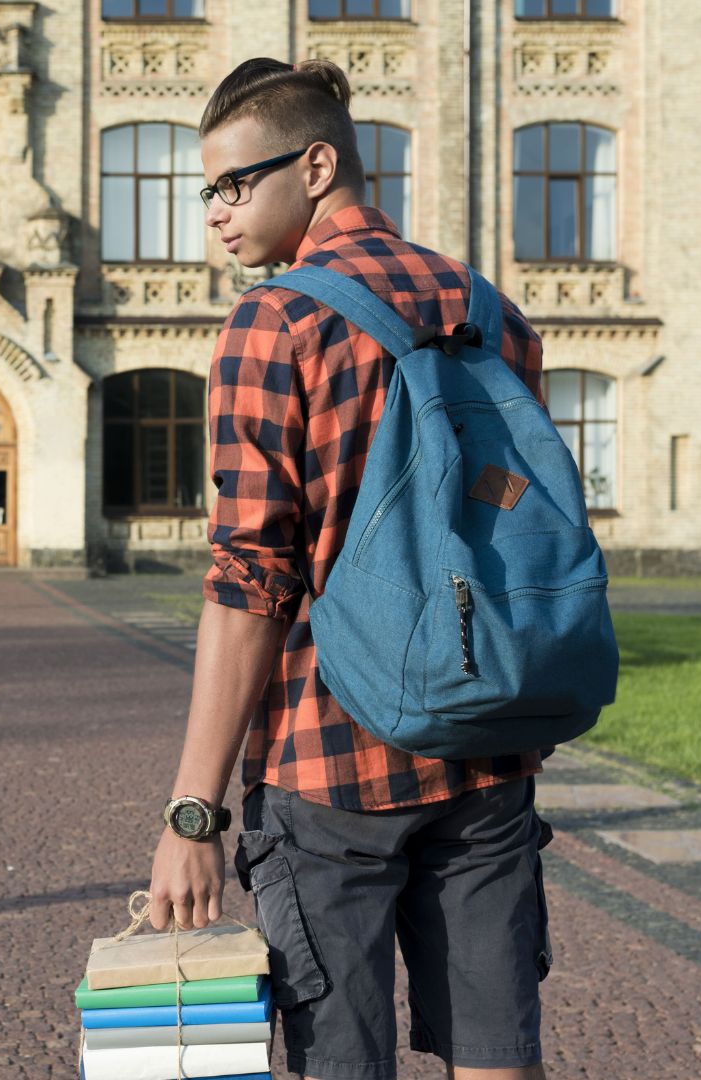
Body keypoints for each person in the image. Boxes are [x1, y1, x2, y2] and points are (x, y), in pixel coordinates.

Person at [146, 57, 554, 1080]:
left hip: (330, 760)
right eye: (208, 190)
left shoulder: (275, 320)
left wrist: (193, 813)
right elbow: (520, 515)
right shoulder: (489, 308)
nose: (217, 213)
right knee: (498, 1057)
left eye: (237, 183)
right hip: (489, 738)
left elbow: (250, 579)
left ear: (317, 164)